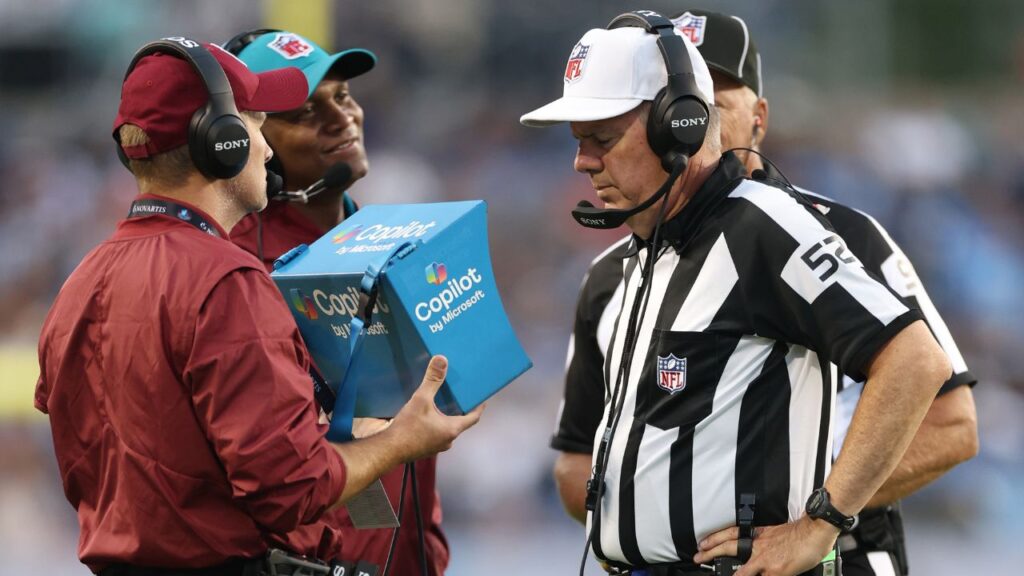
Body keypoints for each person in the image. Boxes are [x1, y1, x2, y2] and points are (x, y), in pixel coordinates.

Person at [521, 11, 952, 576]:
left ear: (677, 127)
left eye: (602, 138)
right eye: (579, 142)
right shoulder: (622, 265)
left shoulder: (762, 227)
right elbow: (578, 459)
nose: (582, 161)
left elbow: (915, 360)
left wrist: (820, 522)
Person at [35, 38, 481, 575]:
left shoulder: (81, 279)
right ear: (219, 143)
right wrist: (400, 440)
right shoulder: (226, 278)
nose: (264, 148)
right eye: (253, 123)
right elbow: (291, 489)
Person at [223, 30, 450, 575]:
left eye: (342, 96)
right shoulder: (236, 271)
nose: (340, 118)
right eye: (305, 111)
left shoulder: (387, 243)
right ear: (250, 140)